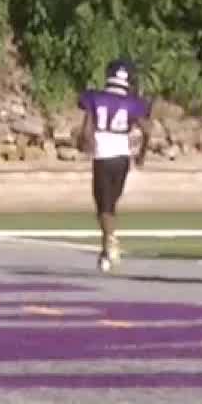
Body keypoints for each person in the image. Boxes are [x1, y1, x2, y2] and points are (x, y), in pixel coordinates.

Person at [77, 58, 151, 273]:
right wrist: (142, 154)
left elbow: (86, 128)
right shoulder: (133, 102)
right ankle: (105, 250)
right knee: (110, 205)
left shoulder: (95, 97)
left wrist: (85, 143)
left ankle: (110, 240)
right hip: (122, 156)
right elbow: (146, 130)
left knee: (104, 207)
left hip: (103, 155)